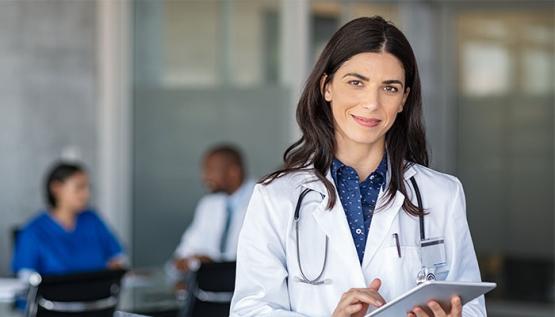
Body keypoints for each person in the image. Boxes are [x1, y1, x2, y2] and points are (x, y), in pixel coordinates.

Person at [230, 16, 485, 317]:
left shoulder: (442, 194)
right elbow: (249, 310)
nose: (371, 103)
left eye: (389, 88)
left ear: (403, 99)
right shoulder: (276, 197)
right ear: (327, 87)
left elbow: (471, 308)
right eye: (356, 83)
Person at [12, 162, 125, 277]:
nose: (87, 194)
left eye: (88, 188)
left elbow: (117, 259)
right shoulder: (33, 231)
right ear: (56, 188)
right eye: (79, 187)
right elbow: (26, 277)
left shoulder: (93, 220)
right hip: (54, 295)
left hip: (99, 293)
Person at [168, 144, 255, 276]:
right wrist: (189, 261)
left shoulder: (262, 200)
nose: (204, 177)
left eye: (210, 171)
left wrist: (214, 264)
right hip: (208, 290)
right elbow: (182, 255)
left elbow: (256, 260)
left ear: (233, 172)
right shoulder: (208, 205)